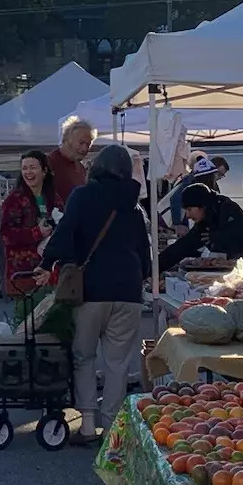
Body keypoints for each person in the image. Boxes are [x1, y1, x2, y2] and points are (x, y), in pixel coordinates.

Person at [39, 143, 152, 444]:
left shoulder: (83, 196)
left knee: (84, 356)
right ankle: (113, 428)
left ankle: (87, 425)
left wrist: (47, 261)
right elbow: (145, 252)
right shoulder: (135, 205)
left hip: (91, 288)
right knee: (117, 363)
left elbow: (67, 232)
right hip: (128, 290)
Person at [158, 182, 243, 267]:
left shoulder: (228, 208)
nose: (187, 216)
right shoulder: (205, 219)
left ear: (201, 206)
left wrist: (218, 237)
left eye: (189, 209)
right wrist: (154, 268)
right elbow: (183, 246)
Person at [0, 150, 57, 297]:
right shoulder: (14, 200)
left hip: (49, 270)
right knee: (26, 317)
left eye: (33, 167)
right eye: (24, 168)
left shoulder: (52, 197)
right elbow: (6, 235)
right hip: (24, 273)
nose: (28, 172)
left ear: (44, 171)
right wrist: (37, 233)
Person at [47, 115, 96, 207]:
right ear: (67, 139)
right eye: (81, 142)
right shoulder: (49, 163)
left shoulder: (80, 168)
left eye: (88, 144)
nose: (85, 148)